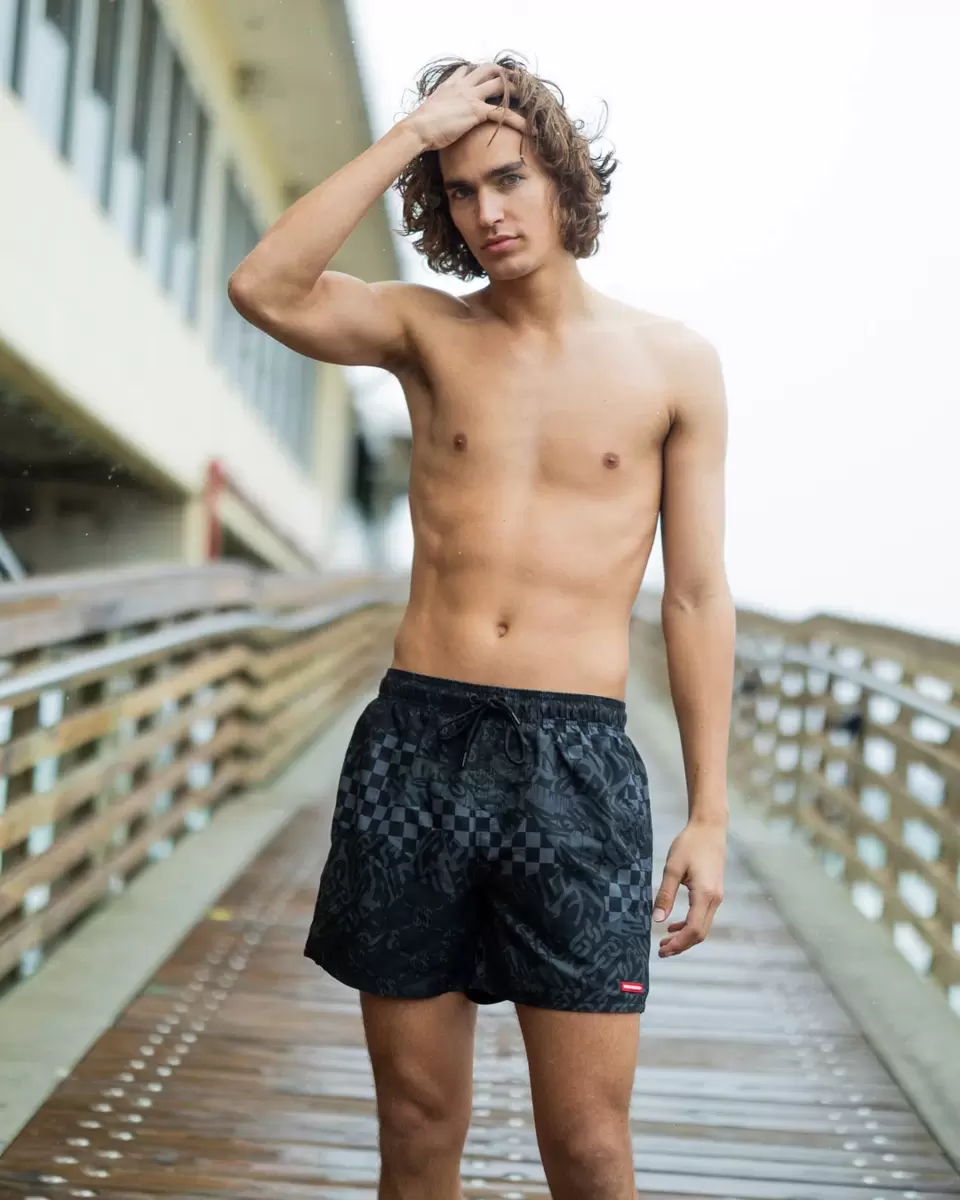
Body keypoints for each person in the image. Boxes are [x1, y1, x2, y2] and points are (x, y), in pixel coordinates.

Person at [228, 52, 735, 1200]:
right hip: (417, 746)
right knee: (416, 1125)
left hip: (576, 765)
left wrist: (709, 813)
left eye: (508, 179)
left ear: (562, 180)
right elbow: (265, 285)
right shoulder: (426, 333)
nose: (487, 212)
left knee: (589, 1146)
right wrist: (413, 134)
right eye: (458, 191)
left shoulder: (673, 365)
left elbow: (698, 596)